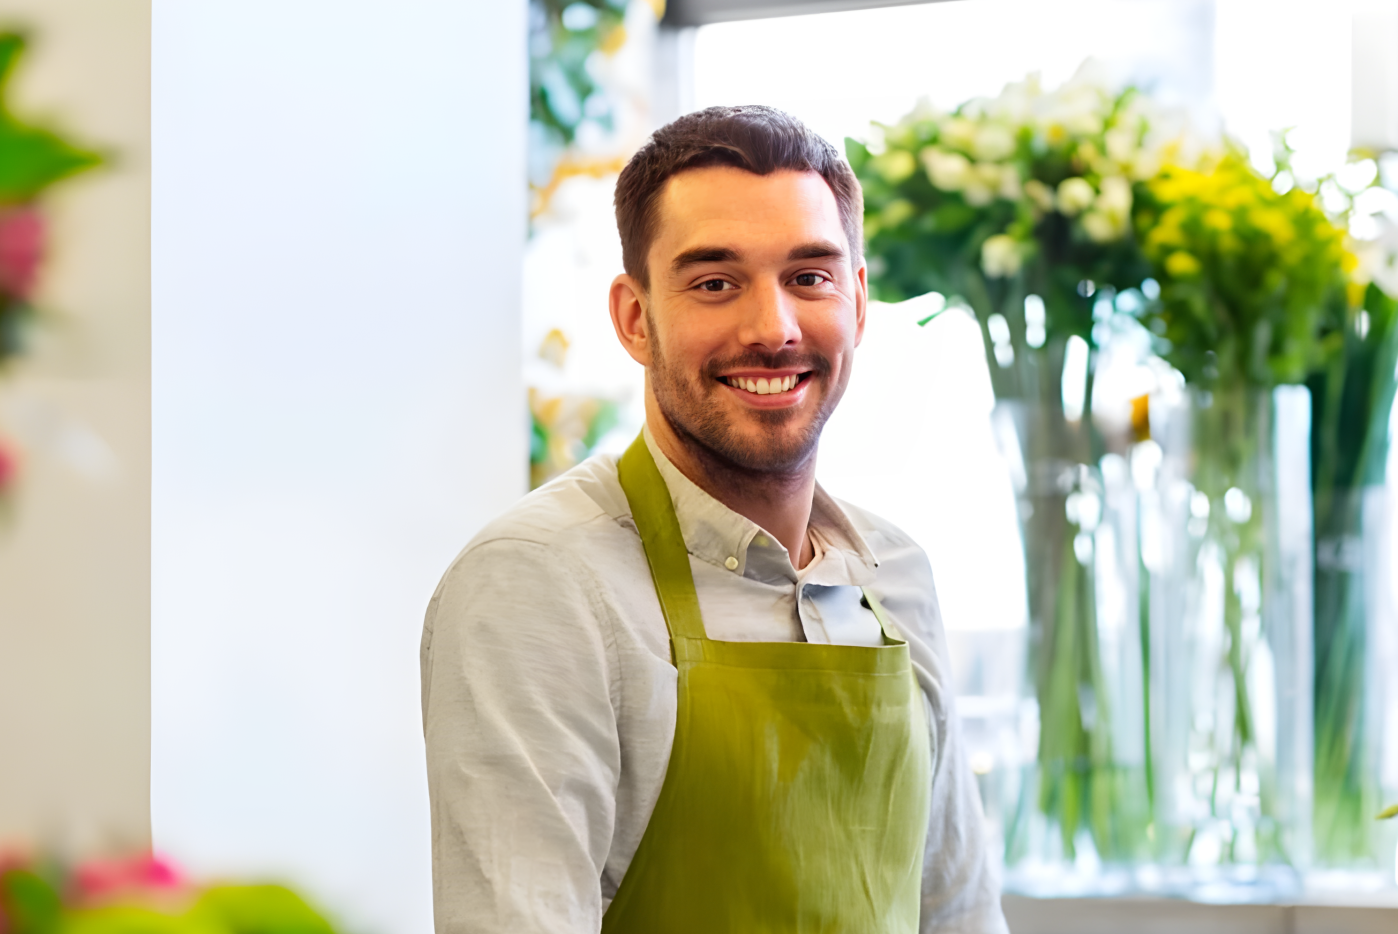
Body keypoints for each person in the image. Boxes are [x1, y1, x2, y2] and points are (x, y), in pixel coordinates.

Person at [420, 105, 1005, 933]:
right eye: (714, 283)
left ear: (859, 302)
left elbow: (959, 917)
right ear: (634, 318)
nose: (773, 329)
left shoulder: (890, 576)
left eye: (810, 276)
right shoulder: (540, 584)